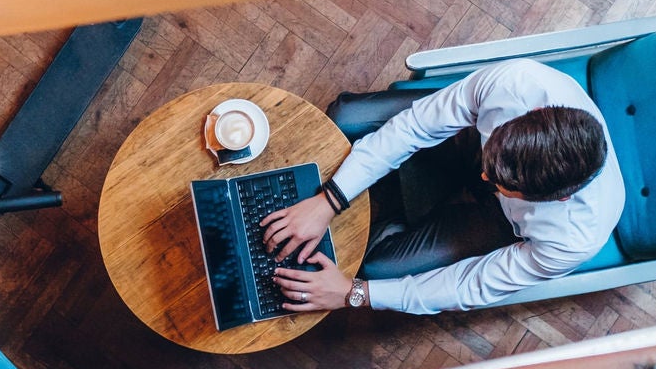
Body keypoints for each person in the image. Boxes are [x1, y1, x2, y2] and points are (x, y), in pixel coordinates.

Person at [260, 58, 624, 314]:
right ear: (532, 114)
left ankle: (395, 212)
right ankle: (394, 196)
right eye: (490, 169)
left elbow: (470, 285)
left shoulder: (575, 239)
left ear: (559, 198)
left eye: (503, 185)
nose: (486, 178)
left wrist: (353, 294)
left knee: (376, 272)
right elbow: (415, 126)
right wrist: (330, 200)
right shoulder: (517, 83)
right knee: (346, 115)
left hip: (498, 222)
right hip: (463, 141)